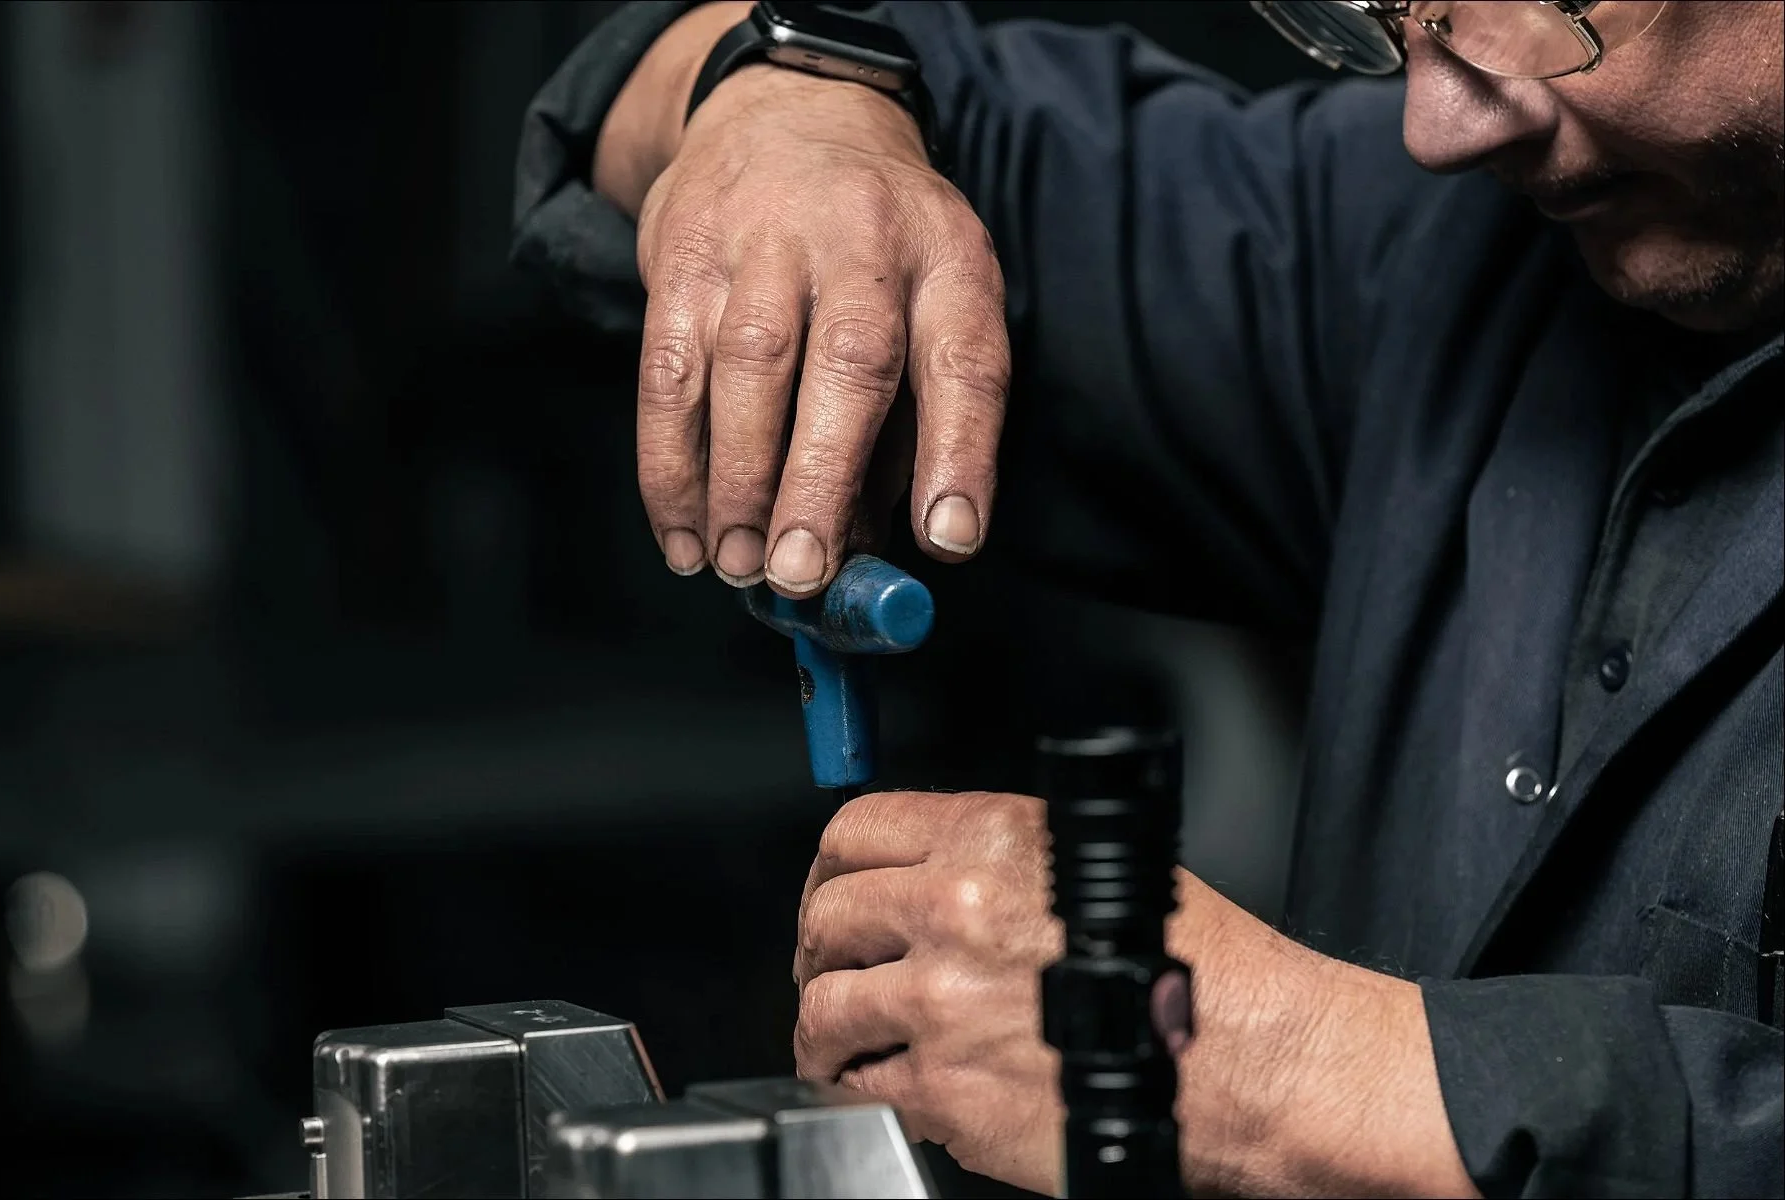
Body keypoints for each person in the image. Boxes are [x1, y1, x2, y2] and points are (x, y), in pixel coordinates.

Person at [510, 1, 1784, 1195]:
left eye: (1542, 7)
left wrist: (1307, 1073)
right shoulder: (1427, 248)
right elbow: (650, 82)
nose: (1438, 126)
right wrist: (800, 114)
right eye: (1394, 12)